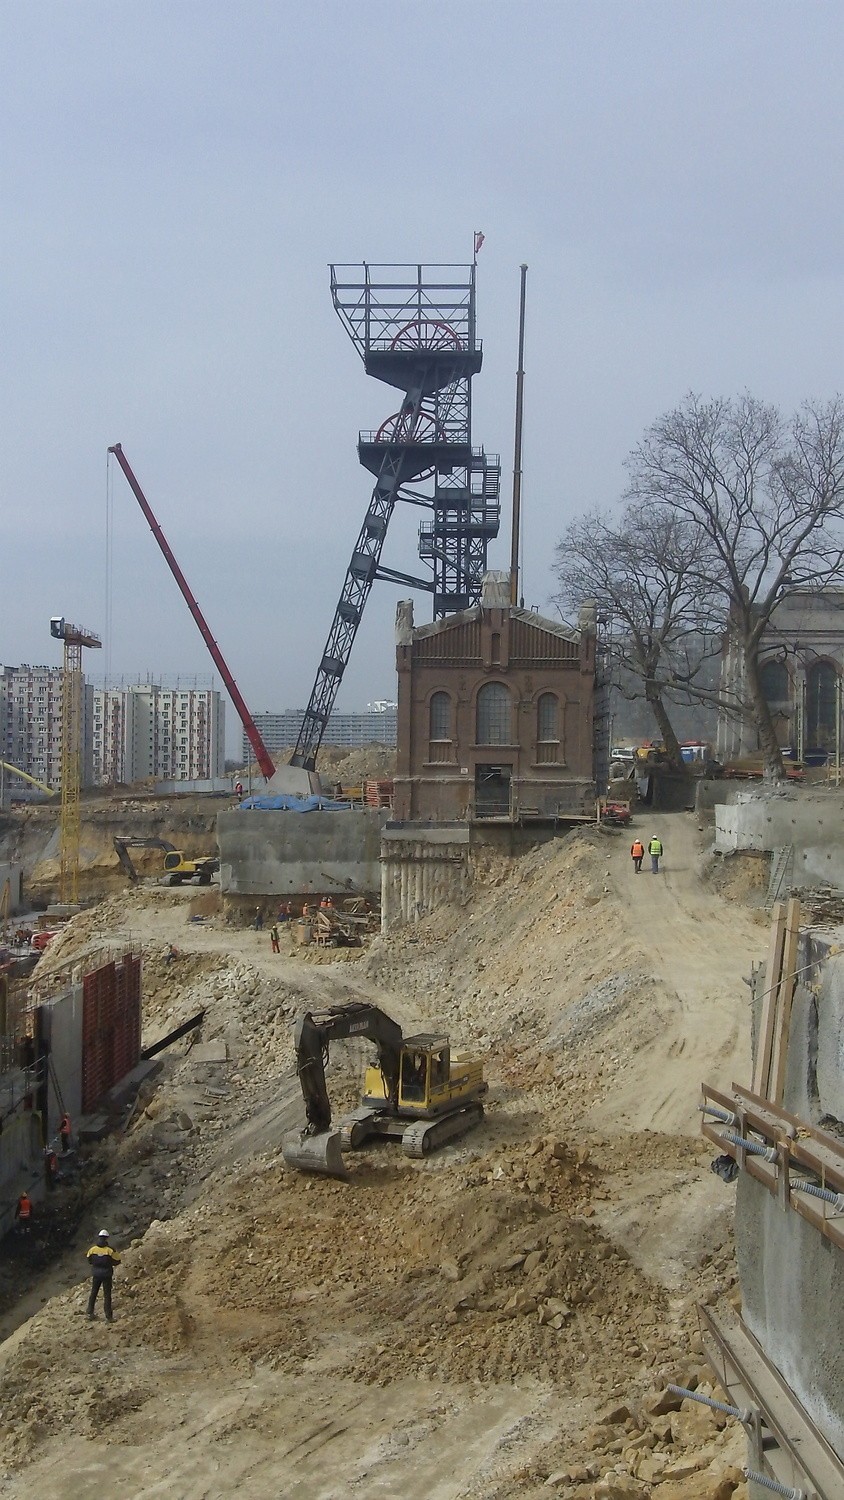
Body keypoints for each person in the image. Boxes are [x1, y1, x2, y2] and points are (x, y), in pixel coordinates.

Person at [86, 1229, 121, 1321]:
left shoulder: (92, 1249)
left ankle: (90, 1313)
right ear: (107, 1238)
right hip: (106, 1274)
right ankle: (109, 1317)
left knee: (94, 1293)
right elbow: (117, 1260)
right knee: (107, 1295)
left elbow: (89, 1260)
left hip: (96, 1274)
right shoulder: (110, 1250)